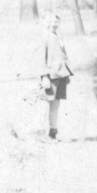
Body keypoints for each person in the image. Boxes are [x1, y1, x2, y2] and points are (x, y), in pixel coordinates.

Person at [41, 12, 72, 140]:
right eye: (52, 21)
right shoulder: (44, 37)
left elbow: (64, 55)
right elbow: (41, 58)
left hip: (61, 75)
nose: (54, 24)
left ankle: (53, 132)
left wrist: (67, 73)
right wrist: (44, 76)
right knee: (46, 104)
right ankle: (42, 133)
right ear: (46, 22)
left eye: (56, 22)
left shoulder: (58, 36)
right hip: (51, 77)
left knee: (56, 105)